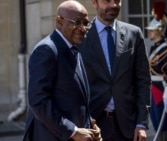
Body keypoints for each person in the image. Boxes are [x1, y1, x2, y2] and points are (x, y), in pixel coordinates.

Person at [23, 1, 101, 141]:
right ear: (59, 21)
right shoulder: (46, 50)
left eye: (86, 23)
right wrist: (72, 131)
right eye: (77, 22)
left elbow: (76, 99)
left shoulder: (74, 50)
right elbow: (38, 101)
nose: (83, 28)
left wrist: (91, 126)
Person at [78, 0, 151, 140]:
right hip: (92, 125)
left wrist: (141, 124)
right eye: (107, 1)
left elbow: (143, 80)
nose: (113, 5)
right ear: (94, 2)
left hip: (127, 125)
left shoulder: (134, 34)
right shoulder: (81, 37)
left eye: (117, 0)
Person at [145, 1, 167, 141]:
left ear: (160, 31)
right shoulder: (155, 48)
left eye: (151, 30)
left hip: (162, 91)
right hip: (153, 90)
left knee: (163, 126)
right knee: (156, 123)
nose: (149, 32)